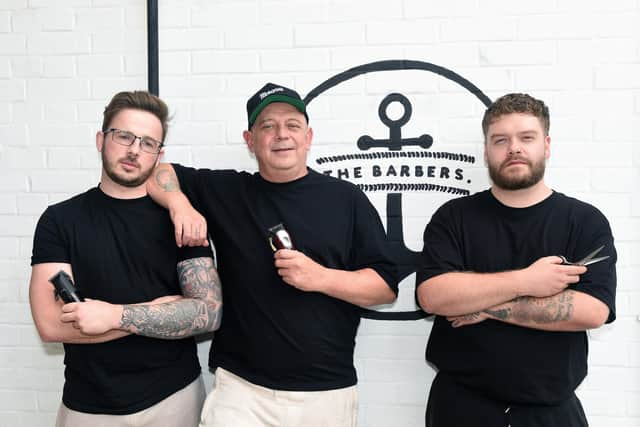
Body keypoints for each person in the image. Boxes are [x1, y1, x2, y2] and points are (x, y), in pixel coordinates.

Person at [146, 83, 398, 427]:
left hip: (324, 393)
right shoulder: (230, 191)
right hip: (240, 390)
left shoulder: (347, 199)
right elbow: (159, 173)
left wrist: (319, 277)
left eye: (292, 125)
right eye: (268, 126)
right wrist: (179, 205)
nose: (282, 135)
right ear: (250, 141)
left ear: (308, 137)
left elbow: (385, 288)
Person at [416, 93, 617, 427]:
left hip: (551, 412)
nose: (514, 148)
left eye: (527, 137)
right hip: (460, 408)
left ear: (546, 145)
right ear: (486, 151)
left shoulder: (584, 221)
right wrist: (526, 282)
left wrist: (481, 304)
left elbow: (592, 311)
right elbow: (433, 296)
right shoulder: (453, 218)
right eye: (500, 140)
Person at [29, 91, 223, 427]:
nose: (134, 149)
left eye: (148, 143)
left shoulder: (182, 219)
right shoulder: (59, 220)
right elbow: (49, 324)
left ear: (159, 155)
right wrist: (160, 312)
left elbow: (207, 312)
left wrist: (113, 316)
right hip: (87, 406)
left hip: (174, 399)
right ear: (101, 140)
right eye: (124, 137)